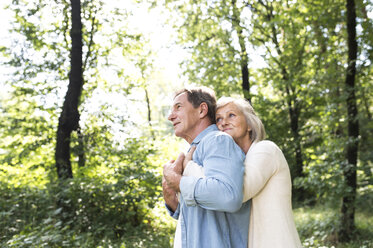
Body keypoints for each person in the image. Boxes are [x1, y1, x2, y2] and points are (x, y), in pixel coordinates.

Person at [182, 96, 303, 248]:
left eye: (231, 115)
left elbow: (234, 192)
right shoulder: (238, 162)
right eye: (218, 119)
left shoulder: (265, 150)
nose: (224, 122)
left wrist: (189, 167)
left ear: (249, 125)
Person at [162, 87, 251, 248]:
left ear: (202, 110)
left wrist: (179, 182)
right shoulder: (195, 151)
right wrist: (172, 200)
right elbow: (203, 216)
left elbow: (228, 196)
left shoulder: (217, 141)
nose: (170, 116)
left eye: (178, 107)